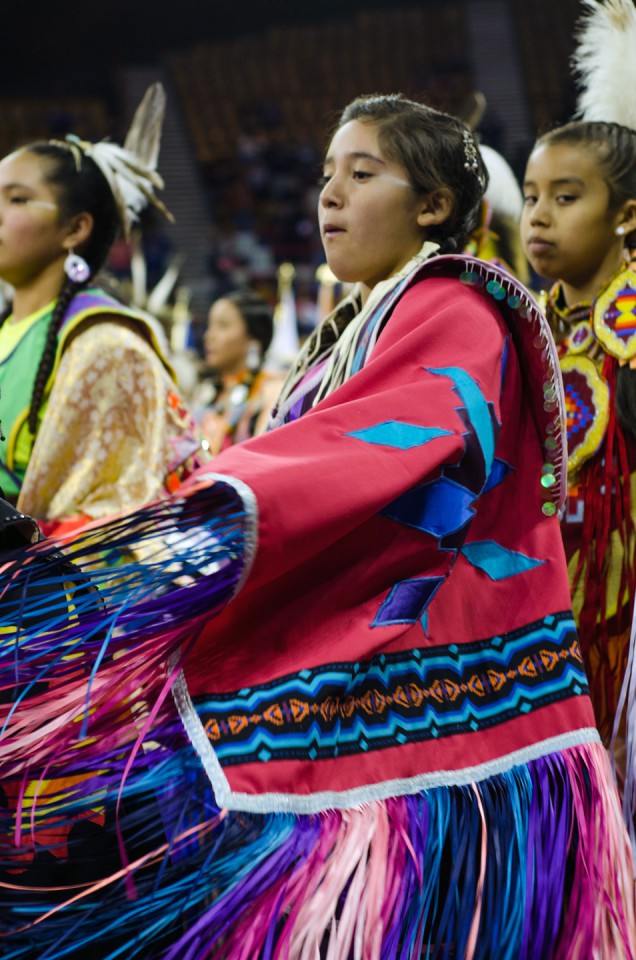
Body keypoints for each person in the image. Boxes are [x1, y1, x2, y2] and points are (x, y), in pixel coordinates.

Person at [1, 93, 635, 958]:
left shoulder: (456, 307)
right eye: (326, 177)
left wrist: (201, 516)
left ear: (434, 206)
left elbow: (361, 452)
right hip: (369, 658)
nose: (328, 197)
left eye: (362, 175)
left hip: (439, 681)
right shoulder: (357, 327)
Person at [0, 84, 206, 536]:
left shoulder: (109, 348)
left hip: (41, 597)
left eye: (15, 199)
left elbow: (125, 519)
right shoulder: (7, 332)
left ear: (75, 229)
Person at [519, 0, 636, 771]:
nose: (539, 217)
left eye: (567, 198)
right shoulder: (525, 330)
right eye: (531, 196)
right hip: (541, 612)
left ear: (627, 217)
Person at [194, 290, 282, 454]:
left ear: (253, 337)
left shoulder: (271, 390)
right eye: (209, 326)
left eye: (222, 325)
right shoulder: (206, 392)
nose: (208, 336)